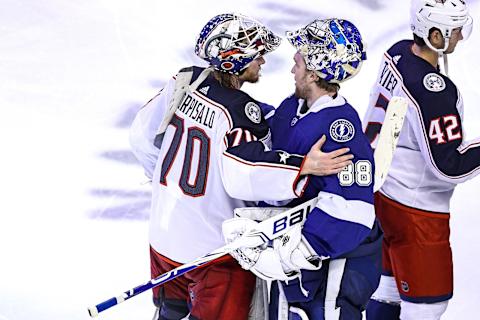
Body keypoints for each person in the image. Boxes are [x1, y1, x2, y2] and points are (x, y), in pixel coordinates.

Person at [129, 13, 354, 320]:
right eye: (256, 54)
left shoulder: (185, 80)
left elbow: (141, 136)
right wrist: (303, 167)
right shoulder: (240, 112)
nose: (262, 61)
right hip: (212, 252)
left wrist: (170, 190)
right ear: (235, 59)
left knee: (170, 312)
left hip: (163, 237)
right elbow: (243, 173)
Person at [223, 18, 382, 320]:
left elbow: (353, 210)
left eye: (297, 62)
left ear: (312, 71)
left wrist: (295, 252)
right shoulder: (291, 107)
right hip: (298, 263)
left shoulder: (340, 129)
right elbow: (278, 135)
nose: (292, 69)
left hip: (334, 262)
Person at [362, 1, 478, 319]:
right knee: (428, 305)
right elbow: (448, 166)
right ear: (435, 36)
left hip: (383, 193)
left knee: (387, 291)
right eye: (454, 31)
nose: (460, 37)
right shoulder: (432, 90)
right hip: (416, 211)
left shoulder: (398, 51)